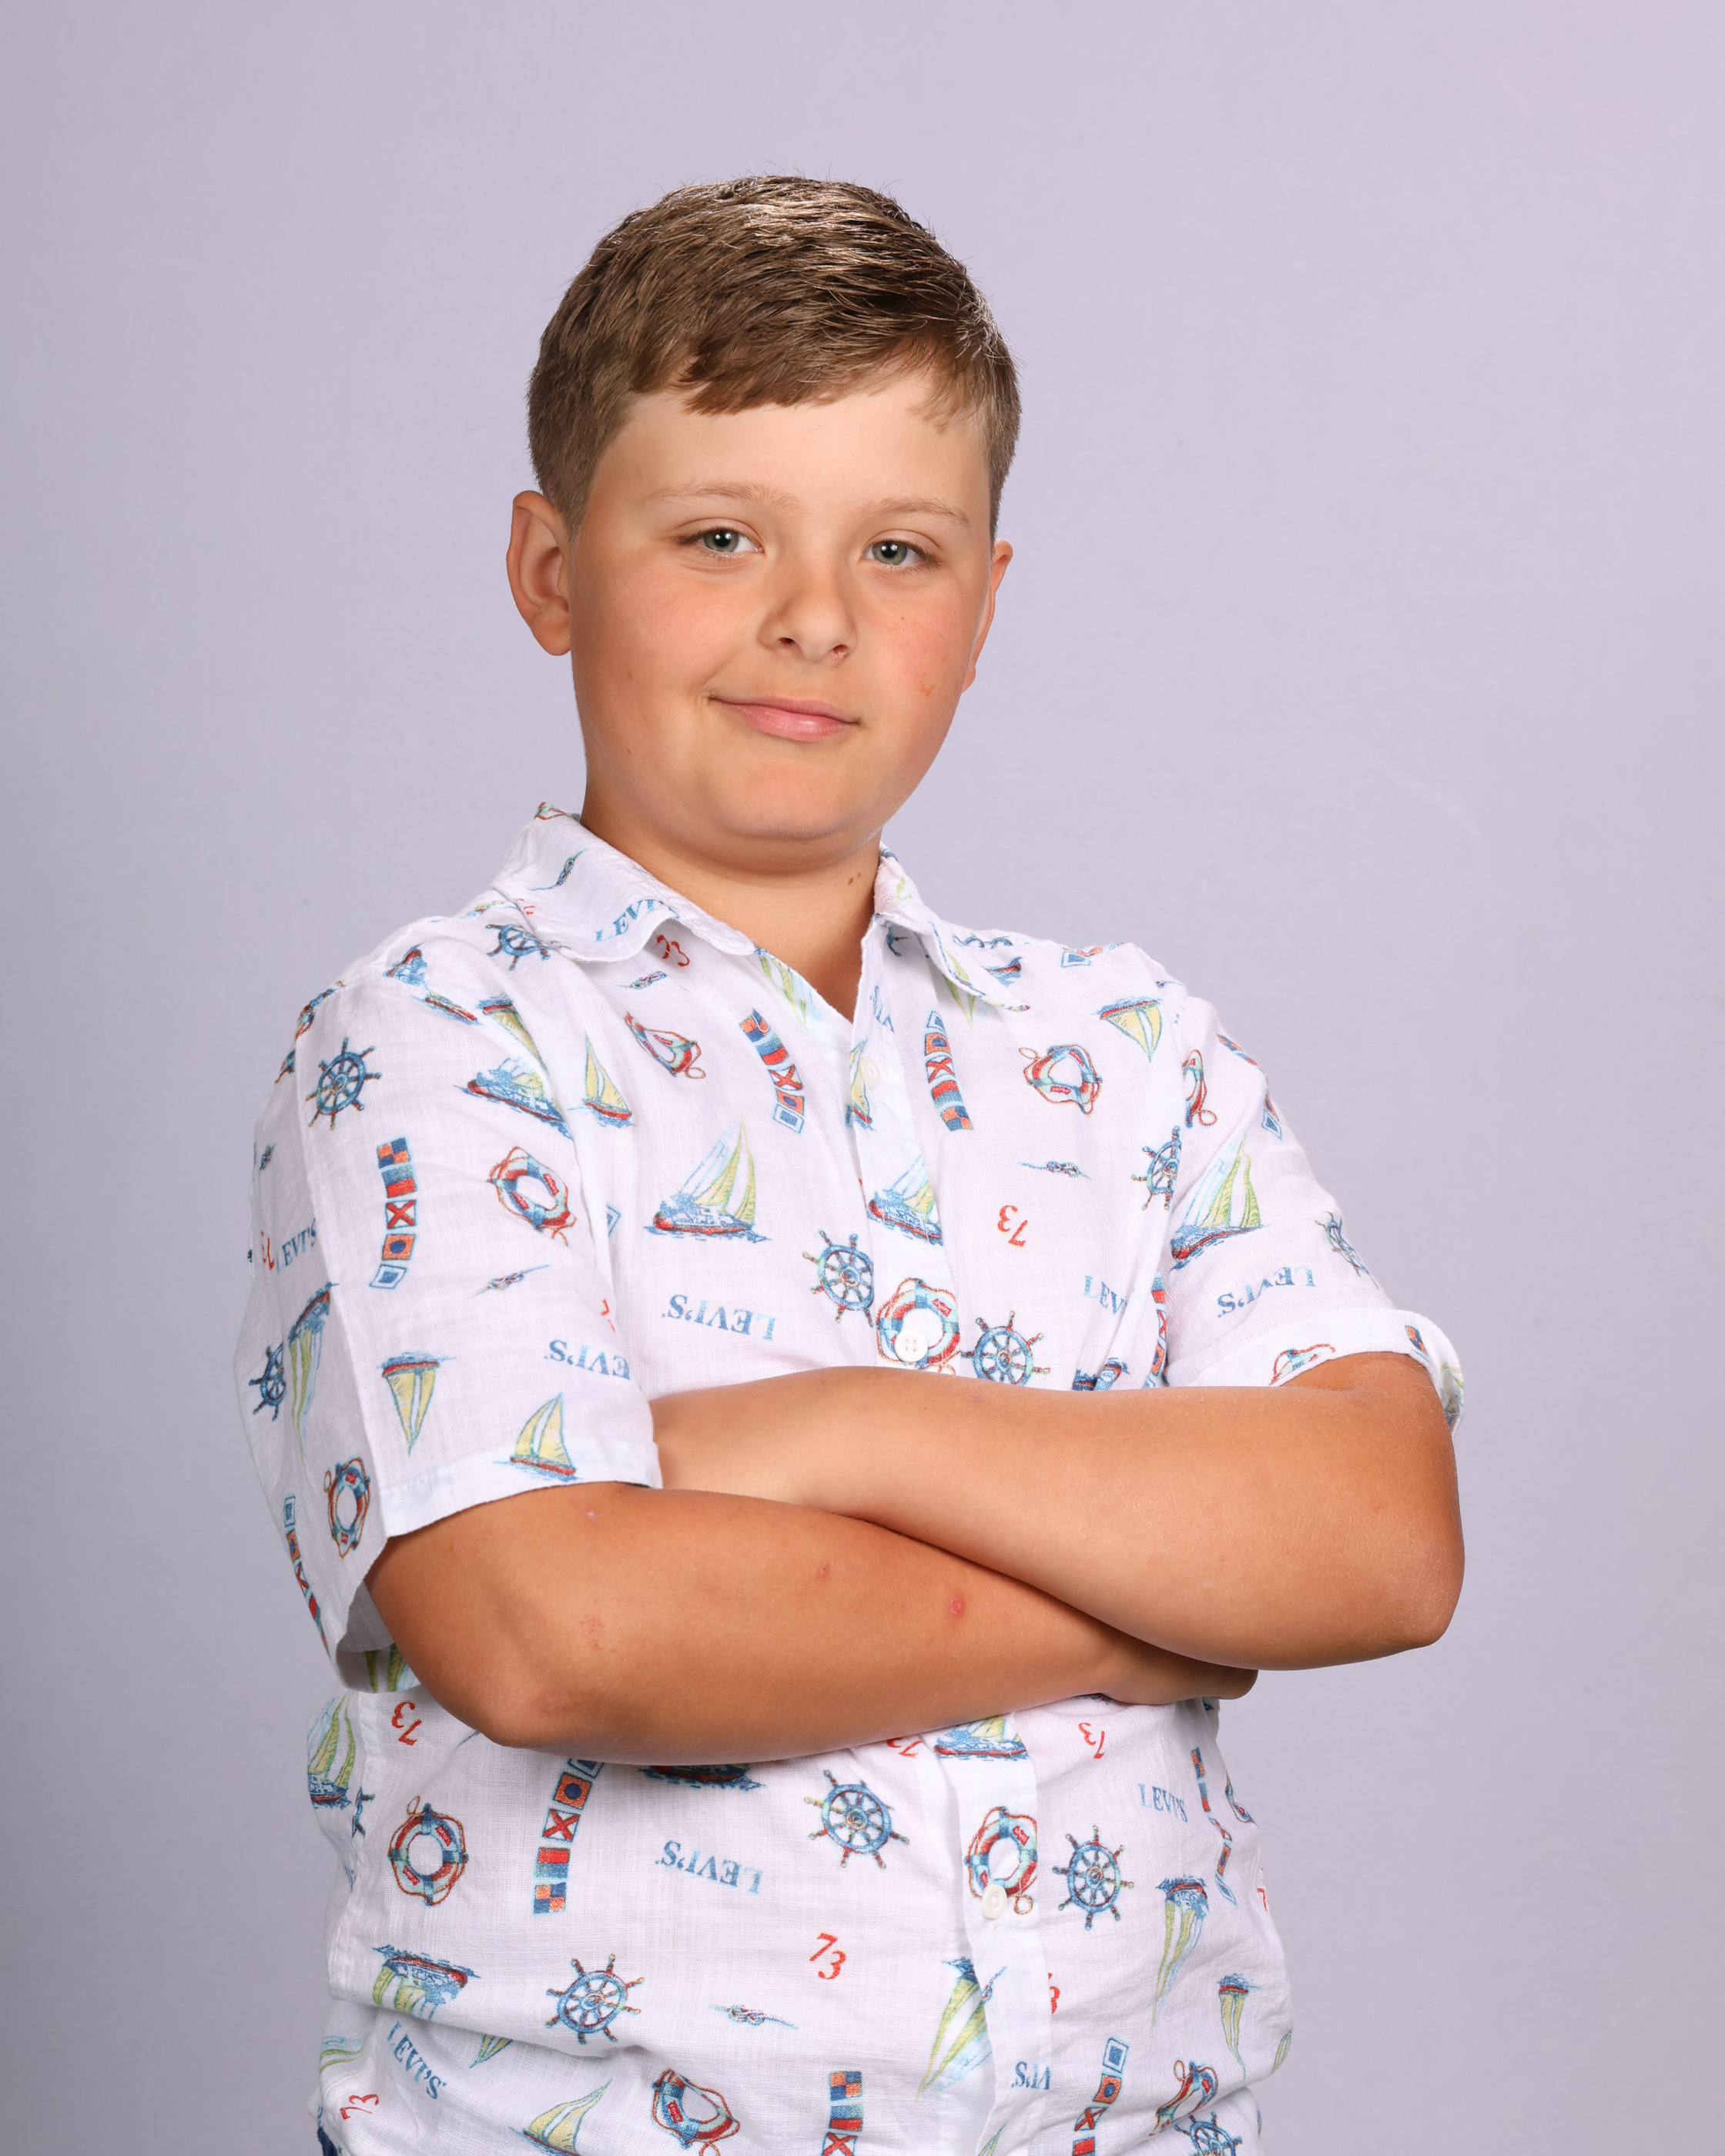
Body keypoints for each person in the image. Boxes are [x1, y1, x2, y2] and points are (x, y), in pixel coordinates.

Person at [238, 176, 1464, 2156]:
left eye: (897, 548)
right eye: (718, 535)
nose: (814, 614)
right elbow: (557, 1630)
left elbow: (1379, 1536)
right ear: (551, 571)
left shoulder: (1124, 1049)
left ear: (983, 604)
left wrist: (839, 1428)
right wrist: (1140, 1599)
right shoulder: (444, 1045)